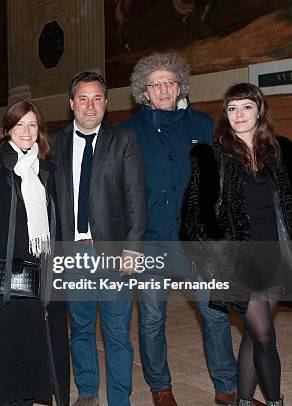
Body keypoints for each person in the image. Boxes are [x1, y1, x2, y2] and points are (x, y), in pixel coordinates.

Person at [120, 52, 238, 406]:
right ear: (144, 90)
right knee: (153, 318)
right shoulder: (128, 132)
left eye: (169, 82)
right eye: (155, 84)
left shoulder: (202, 124)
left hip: (196, 242)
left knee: (214, 313)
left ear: (180, 86)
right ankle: (160, 386)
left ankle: (227, 387)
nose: (163, 89)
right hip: (151, 240)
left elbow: (221, 179)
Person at [180, 83, 290, 406]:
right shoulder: (211, 158)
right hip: (237, 261)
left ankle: (242, 400)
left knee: (256, 337)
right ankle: (276, 401)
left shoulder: (278, 153)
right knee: (266, 337)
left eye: (246, 107)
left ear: (259, 111)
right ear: (225, 115)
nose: (239, 115)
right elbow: (193, 219)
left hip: (274, 256)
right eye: (232, 109)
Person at [50, 71, 146, 406]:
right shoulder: (54, 144)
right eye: (83, 99)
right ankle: (88, 392)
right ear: (70, 103)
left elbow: (136, 198)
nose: (90, 106)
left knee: (118, 332)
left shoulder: (123, 141)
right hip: (73, 255)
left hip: (114, 255)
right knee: (80, 330)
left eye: (97, 99)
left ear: (106, 102)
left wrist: (133, 250)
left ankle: (120, 399)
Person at [0, 100, 70, 405]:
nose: (26, 131)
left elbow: (57, 217)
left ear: (39, 130)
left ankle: (31, 392)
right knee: (5, 337)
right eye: (19, 125)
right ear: (8, 129)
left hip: (41, 262)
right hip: (8, 266)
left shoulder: (47, 169)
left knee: (34, 335)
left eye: (32, 125)